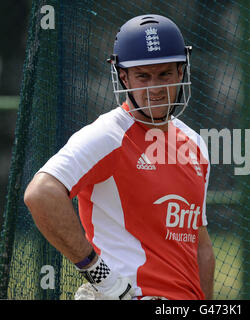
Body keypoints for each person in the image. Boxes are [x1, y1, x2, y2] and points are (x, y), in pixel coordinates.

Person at [24, 14, 215, 300]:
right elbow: (41, 194)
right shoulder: (108, 135)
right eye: (143, 76)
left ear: (181, 72)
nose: (156, 88)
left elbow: (200, 246)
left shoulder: (196, 144)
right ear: (123, 76)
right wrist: (104, 280)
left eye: (165, 74)